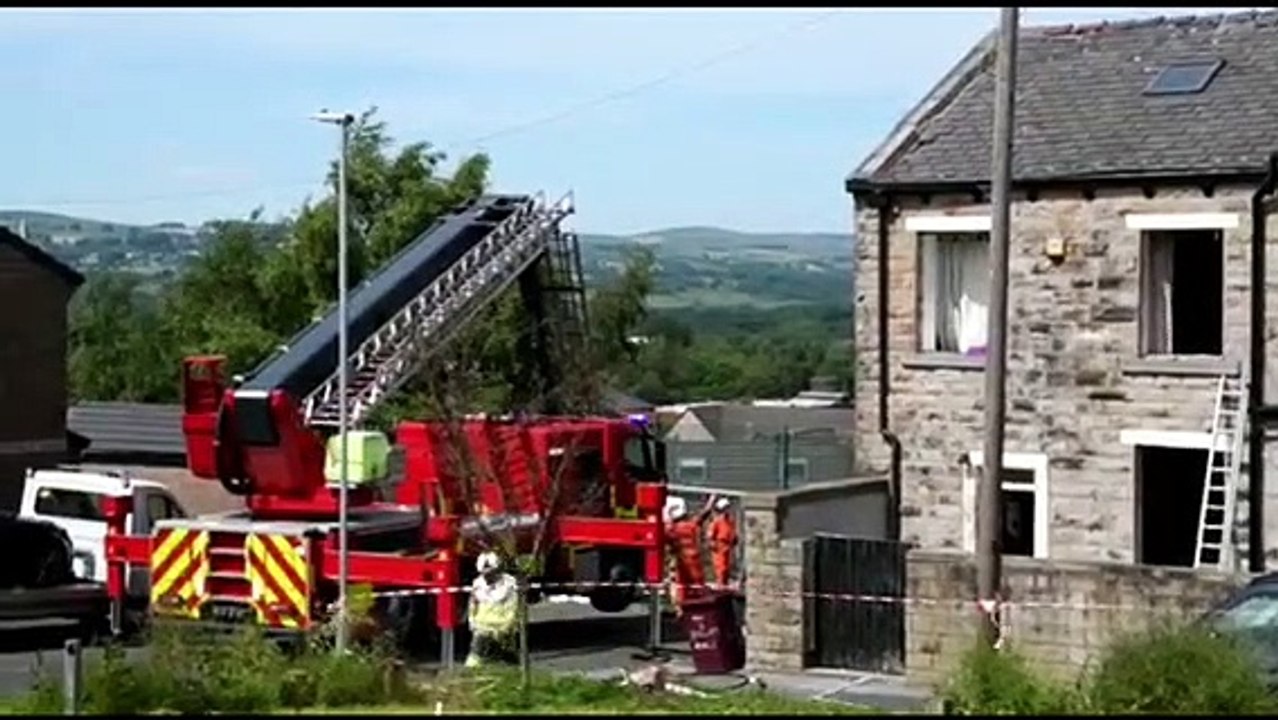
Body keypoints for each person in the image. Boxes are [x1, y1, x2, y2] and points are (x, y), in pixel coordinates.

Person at [465, 551, 519, 668]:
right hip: (482, 628)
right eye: (483, 573)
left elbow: (513, 607)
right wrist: (472, 622)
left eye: (490, 573)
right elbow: (473, 604)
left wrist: (508, 626)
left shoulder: (508, 584)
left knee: (508, 657)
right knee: (475, 658)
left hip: (503, 628)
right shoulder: (478, 583)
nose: (486, 577)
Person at [663, 496, 713, 615]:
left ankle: (682, 612)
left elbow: (665, 539)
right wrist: (712, 500)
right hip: (695, 560)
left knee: (682, 588)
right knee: (698, 586)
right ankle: (701, 611)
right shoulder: (691, 525)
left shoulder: (672, 529)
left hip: (682, 562)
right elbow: (703, 515)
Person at [706, 496, 738, 589]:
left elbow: (732, 531)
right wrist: (712, 543)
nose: (727, 510)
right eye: (726, 508)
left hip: (728, 545)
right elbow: (710, 534)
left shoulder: (730, 521)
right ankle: (720, 585)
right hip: (719, 545)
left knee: (727, 567)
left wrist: (735, 538)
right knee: (721, 567)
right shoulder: (716, 521)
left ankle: (725, 584)